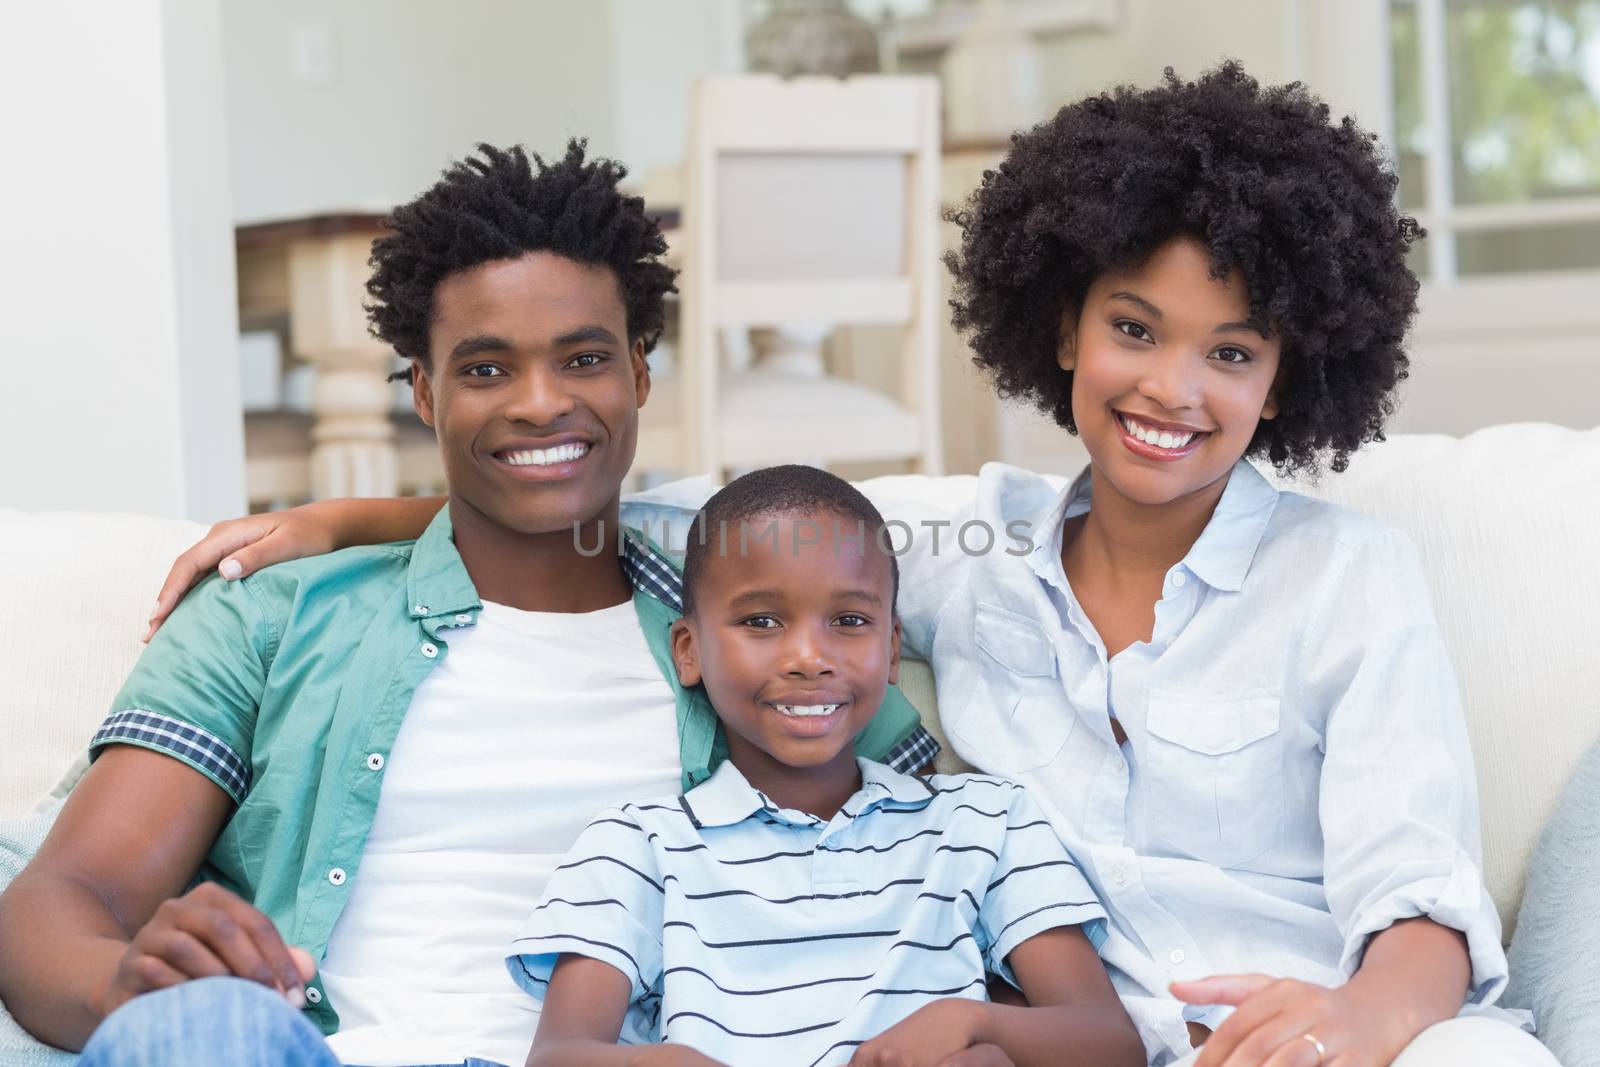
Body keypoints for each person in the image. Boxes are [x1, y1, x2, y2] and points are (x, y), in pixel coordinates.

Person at [141, 65, 1562, 1066]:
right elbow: (657, 510)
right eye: (1136, 328)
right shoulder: (965, 545)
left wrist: (1364, 1021)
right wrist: (349, 517)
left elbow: (1419, 888)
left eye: (1232, 353)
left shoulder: (1346, 575)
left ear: (1290, 373)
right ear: (1062, 326)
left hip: (1320, 1019)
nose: (1171, 389)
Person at [0, 142, 935, 1067]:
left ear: (641, 375)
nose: (540, 403)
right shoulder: (269, 614)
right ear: (425, 391)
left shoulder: (770, 632)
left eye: (583, 358)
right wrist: (134, 992)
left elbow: (924, 889)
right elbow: (66, 899)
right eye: (486, 369)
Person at [514, 464, 1142, 1067]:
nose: (809, 658)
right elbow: (560, 1054)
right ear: (689, 650)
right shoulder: (638, 847)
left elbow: (1109, 1044)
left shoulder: (985, 821)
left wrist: (971, 1023)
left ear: (891, 650)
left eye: (849, 621)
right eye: (761, 621)